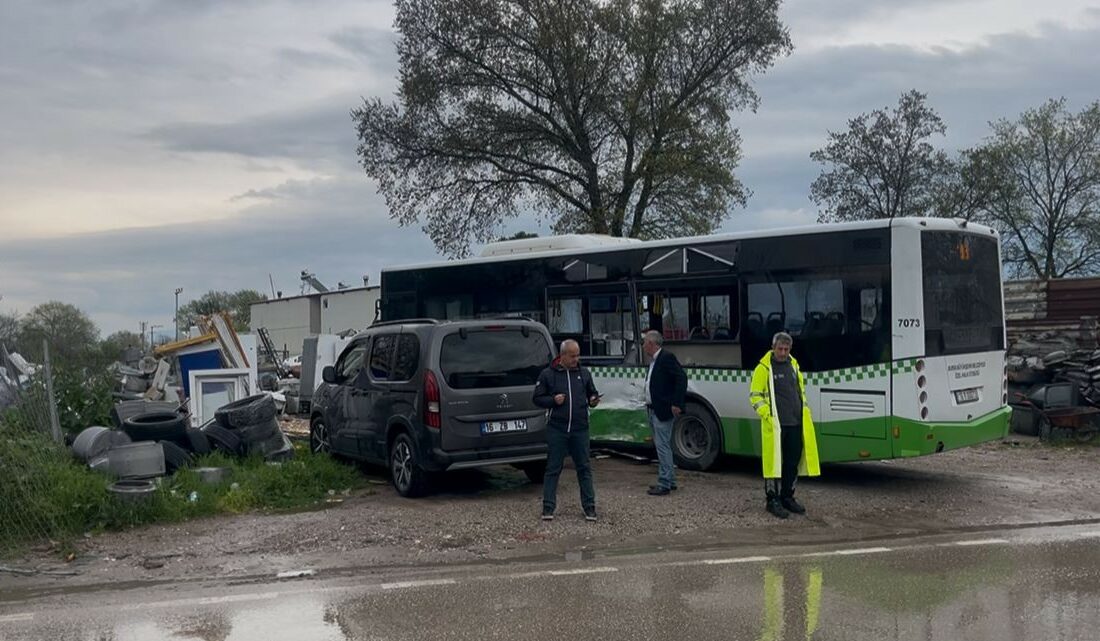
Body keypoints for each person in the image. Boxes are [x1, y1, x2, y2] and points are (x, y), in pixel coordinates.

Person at [749, 332, 821, 519]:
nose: (783, 352)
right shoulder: (763, 368)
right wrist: (768, 414)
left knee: (792, 462)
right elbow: (755, 396)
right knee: (773, 464)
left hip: (796, 423)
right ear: (773, 348)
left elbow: (799, 392)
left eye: (786, 349)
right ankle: (772, 499)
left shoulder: (793, 365)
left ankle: (788, 496)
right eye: (780, 349)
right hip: (776, 426)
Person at [533, 339, 600, 522]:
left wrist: (594, 399)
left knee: (584, 468)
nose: (576, 359)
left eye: (577, 355)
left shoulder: (584, 373)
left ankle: (589, 507)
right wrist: (553, 400)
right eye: (572, 356)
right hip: (558, 428)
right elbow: (537, 398)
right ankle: (548, 507)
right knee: (553, 468)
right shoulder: (548, 374)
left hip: (580, 428)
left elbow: (591, 393)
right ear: (562, 356)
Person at [642, 330, 687, 495]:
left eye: (645, 342)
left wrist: (677, 402)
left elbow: (681, 378)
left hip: (662, 409)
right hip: (653, 408)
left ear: (652, 344)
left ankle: (665, 482)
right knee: (662, 445)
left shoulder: (666, 358)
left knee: (662, 446)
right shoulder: (655, 360)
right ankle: (670, 479)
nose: (643, 345)